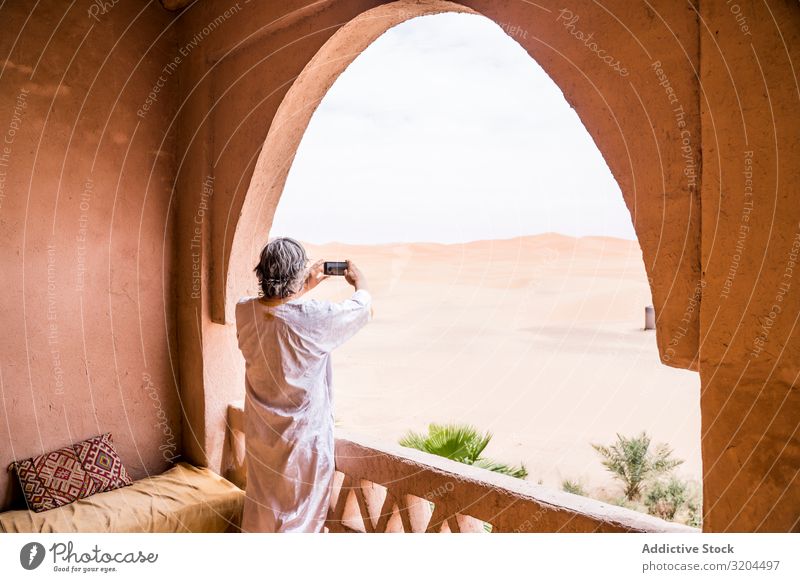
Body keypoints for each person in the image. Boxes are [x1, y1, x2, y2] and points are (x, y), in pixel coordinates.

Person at [235, 237, 372, 532]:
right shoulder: (311, 318)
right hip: (303, 442)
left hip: (262, 438)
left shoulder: (244, 312)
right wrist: (360, 283)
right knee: (299, 521)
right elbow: (362, 311)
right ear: (295, 274)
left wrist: (303, 286)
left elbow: (273, 312)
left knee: (264, 511)